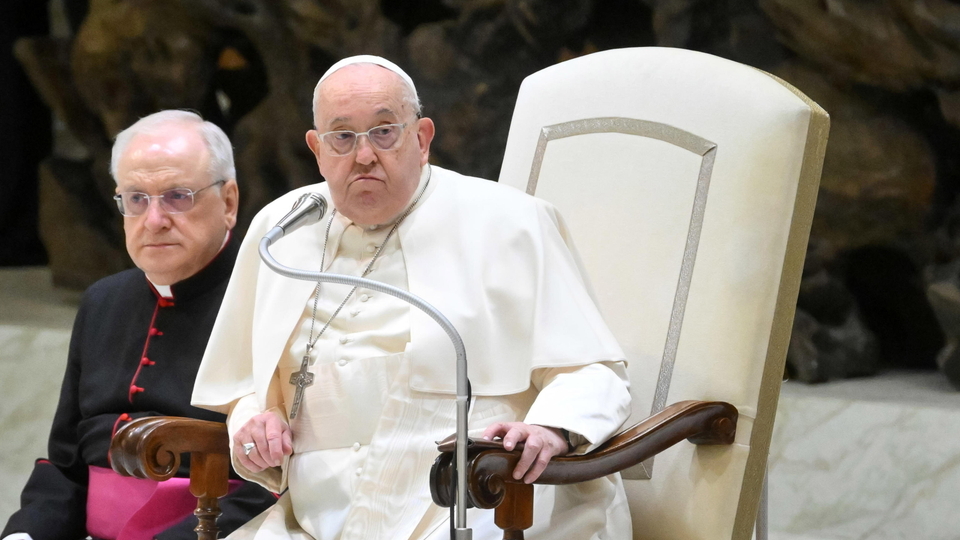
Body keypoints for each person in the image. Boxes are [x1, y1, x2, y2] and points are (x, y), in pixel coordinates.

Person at [191, 56, 633, 539]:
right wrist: (254, 424)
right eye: (342, 137)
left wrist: (549, 428)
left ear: (422, 139)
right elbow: (243, 386)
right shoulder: (283, 229)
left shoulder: (511, 222)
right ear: (316, 149)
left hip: (478, 500)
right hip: (319, 516)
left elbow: (591, 371)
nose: (363, 155)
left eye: (384, 132)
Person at [2, 110, 276, 540]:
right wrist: (27, 533)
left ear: (228, 202)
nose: (154, 220)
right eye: (136, 199)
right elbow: (67, 464)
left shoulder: (272, 300)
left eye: (177, 196)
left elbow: (276, 482)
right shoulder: (103, 301)